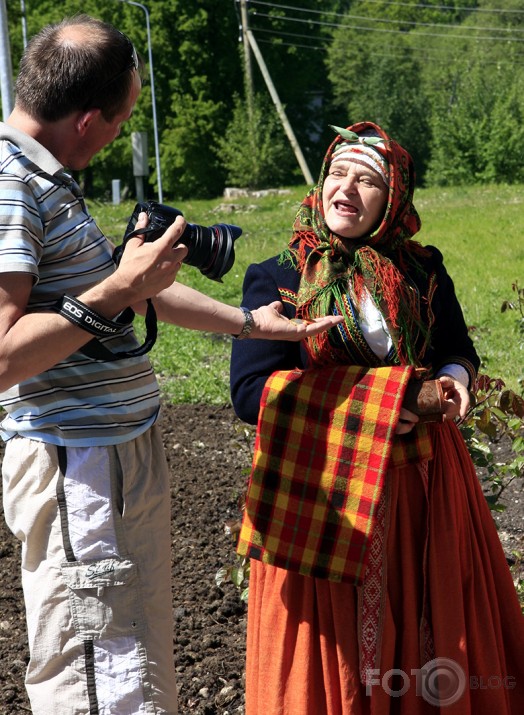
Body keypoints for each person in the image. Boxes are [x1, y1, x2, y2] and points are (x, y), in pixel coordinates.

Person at [0, 15, 341, 715]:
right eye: (123, 121)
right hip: (78, 467)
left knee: (136, 666)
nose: (122, 134)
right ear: (90, 119)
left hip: (113, 461)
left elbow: (128, 288)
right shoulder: (10, 185)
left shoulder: (47, 176)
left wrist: (253, 323)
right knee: (97, 674)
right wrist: (119, 288)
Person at [230, 120, 524, 714]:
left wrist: (455, 381)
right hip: (326, 492)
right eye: (338, 174)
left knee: (430, 621)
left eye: (367, 181)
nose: (346, 189)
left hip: (422, 486)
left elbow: (455, 348)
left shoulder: (421, 271)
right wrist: (387, 402)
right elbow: (250, 391)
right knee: (334, 653)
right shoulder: (281, 276)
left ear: (392, 201)